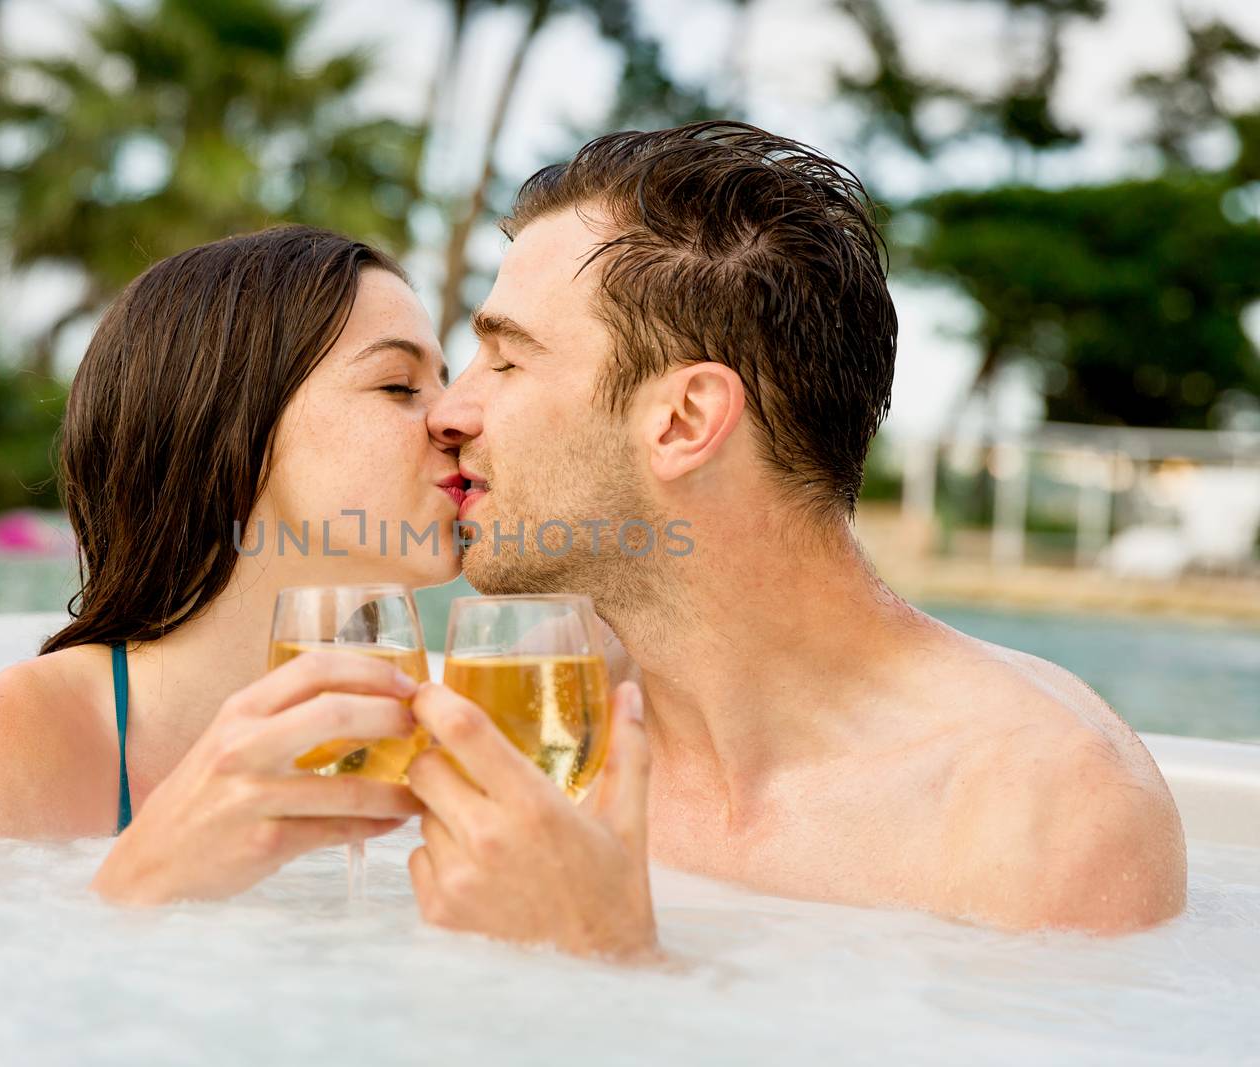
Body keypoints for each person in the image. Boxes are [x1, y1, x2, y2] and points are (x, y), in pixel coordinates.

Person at [403, 121, 1187, 957]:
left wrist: (617, 964)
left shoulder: (1036, 812)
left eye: (507, 360)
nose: (450, 410)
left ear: (685, 419)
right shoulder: (546, 735)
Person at [0, 226, 462, 905]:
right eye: (399, 384)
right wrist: (142, 883)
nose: (456, 414)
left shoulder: (470, 721)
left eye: (443, 381)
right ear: (230, 421)